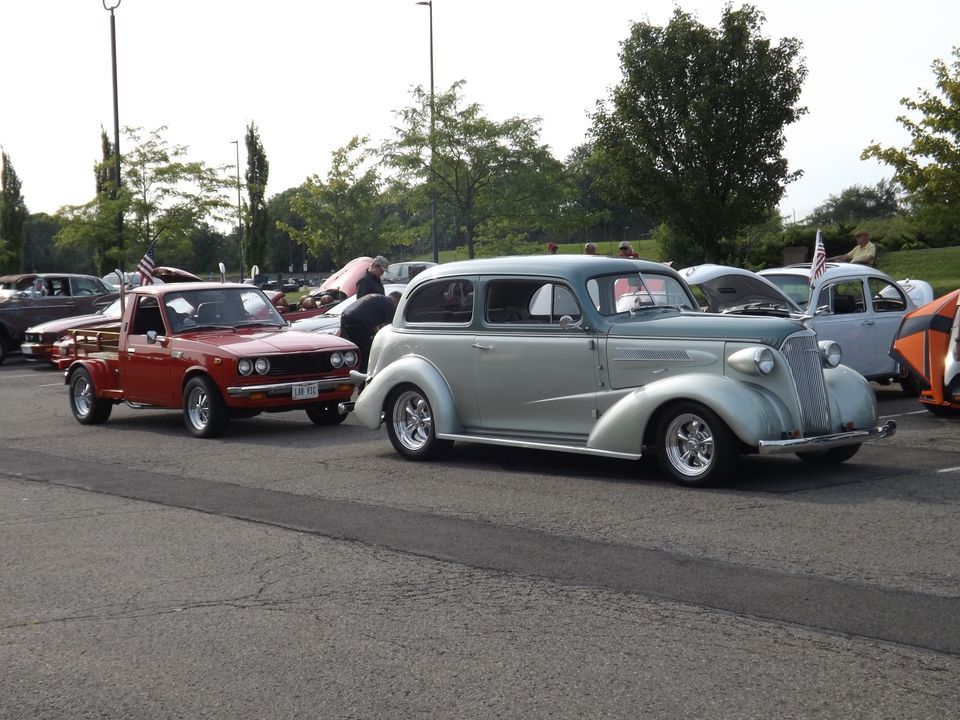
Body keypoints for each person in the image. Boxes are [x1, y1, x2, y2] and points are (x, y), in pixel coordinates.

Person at [339, 291, 402, 372]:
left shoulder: (379, 298)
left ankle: (351, 371)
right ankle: (365, 373)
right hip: (359, 321)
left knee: (353, 348)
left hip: (346, 315)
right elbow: (390, 329)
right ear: (397, 301)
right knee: (367, 350)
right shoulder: (389, 304)